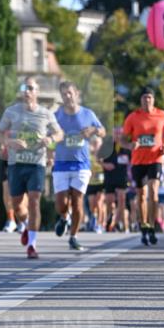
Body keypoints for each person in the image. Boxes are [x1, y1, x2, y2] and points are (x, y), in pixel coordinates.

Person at [0, 78, 63, 259]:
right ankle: (25, 224)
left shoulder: (46, 114)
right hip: (16, 164)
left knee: (34, 201)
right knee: (17, 205)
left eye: (30, 88)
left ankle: (32, 245)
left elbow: (59, 133)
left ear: (37, 92)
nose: (26, 91)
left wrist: (50, 140)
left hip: (36, 164)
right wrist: (9, 142)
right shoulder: (11, 112)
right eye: (24, 88)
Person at [52, 81, 105, 252]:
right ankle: (63, 217)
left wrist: (94, 131)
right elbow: (48, 134)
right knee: (61, 203)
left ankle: (73, 237)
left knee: (78, 202)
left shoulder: (88, 114)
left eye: (70, 93)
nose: (67, 96)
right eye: (64, 94)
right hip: (61, 163)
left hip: (81, 164)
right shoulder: (56, 115)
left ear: (76, 93)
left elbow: (102, 130)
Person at [121, 87, 164, 246]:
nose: (146, 100)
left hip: (155, 159)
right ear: (140, 100)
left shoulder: (162, 115)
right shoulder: (133, 117)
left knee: (154, 192)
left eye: (149, 97)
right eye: (144, 98)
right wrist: (129, 145)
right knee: (141, 195)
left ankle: (153, 226)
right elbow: (122, 139)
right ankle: (144, 226)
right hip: (138, 161)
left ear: (153, 99)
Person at [100, 127, 130, 233]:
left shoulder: (126, 146)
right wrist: (105, 165)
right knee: (109, 201)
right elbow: (98, 159)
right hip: (110, 176)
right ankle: (110, 217)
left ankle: (116, 222)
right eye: (115, 133)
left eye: (119, 134)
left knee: (122, 200)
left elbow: (132, 159)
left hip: (122, 176)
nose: (117, 136)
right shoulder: (107, 146)